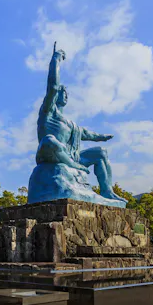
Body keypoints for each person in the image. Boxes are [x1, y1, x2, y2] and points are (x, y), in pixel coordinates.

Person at [36, 42, 126, 203]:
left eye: (67, 93)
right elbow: (53, 86)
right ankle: (73, 165)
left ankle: (107, 191)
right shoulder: (48, 111)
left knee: (101, 153)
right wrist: (56, 59)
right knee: (49, 140)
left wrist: (103, 137)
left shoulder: (71, 124)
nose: (65, 95)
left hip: (70, 157)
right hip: (49, 154)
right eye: (63, 92)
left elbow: (88, 134)